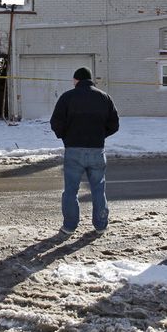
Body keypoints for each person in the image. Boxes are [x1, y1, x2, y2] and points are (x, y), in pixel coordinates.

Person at [50, 67, 119, 236]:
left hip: (73, 149)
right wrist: (100, 135)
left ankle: (69, 226)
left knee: (71, 190)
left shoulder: (67, 97)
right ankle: (100, 225)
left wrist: (65, 137)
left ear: (76, 80)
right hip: (97, 149)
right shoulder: (104, 97)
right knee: (98, 189)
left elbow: (56, 122)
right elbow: (114, 124)